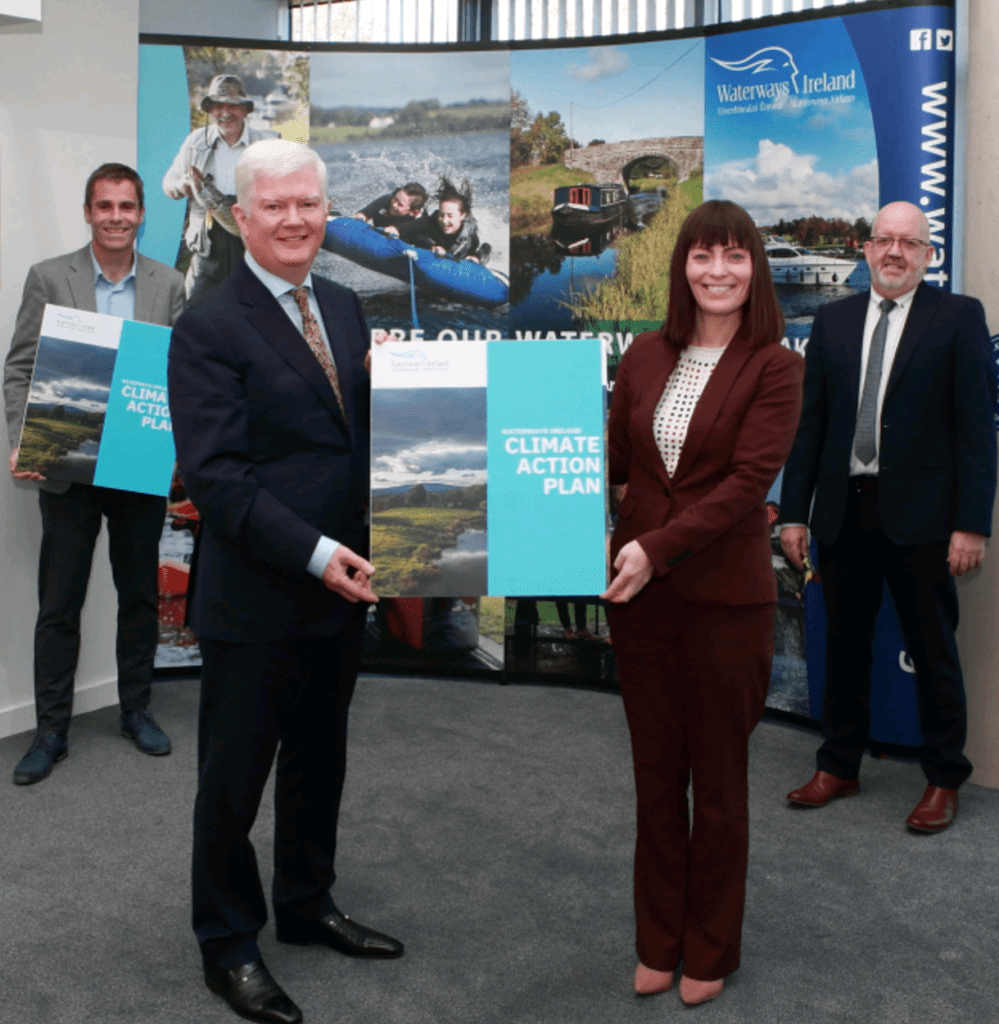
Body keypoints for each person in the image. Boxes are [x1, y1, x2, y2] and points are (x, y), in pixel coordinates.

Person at [168, 138, 402, 1024]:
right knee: (233, 781)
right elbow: (219, 480)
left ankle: (307, 906)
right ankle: (227, 945)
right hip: (259, 593)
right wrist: (315, 554)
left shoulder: (344, 307)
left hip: (342, 591)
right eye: (274, 206)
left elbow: (350, 439)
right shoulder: (207, 326)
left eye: (308, 204)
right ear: (241, 217)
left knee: (319, 762)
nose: (295, 220)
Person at [602, 200, 803, 1007]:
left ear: (753, 268)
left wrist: (654, 546)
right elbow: (612, 460)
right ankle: (658, 940)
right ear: (680, 267)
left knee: (716, 787)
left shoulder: (775, 366)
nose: (716, 271)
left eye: (733, 256)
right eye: (699, 256)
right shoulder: (646, 354)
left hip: (724, 603)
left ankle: (710, 947)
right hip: (640, 604)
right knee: (655, 782)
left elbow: (745, 487)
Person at [780, 200, 997, 833]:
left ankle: (941, 778)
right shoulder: (833, 320)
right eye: (883, 240)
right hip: (844, 513)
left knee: (932, 651)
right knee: (842, 647)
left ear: (929, 254)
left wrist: (972, 523)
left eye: (910, 242)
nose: (895, 252)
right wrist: (794, 514)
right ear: (866, 249)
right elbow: (810, 428)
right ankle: (838, 765)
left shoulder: (957, 317)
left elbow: (976, 434)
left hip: (926, 520)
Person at [3, 163, 185, 786]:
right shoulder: (50, 277)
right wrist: (23, 439)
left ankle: (135, 710)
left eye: (127, 206)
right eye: (104, 206)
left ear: (141, 214)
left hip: (137, 466)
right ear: (88, 212)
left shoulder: (170, 284)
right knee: (60, 603)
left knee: (139, 596)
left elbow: (179, 378)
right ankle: (51, 730)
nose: (115, 216)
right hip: (68, 467)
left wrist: (178, 443)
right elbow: (20, 370)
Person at [162, 74, 278, 301]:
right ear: (210, 111)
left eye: (232, 106)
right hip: (207, 255)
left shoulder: (267, 145)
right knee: (191, 321)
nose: (225, 113)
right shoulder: (195, 142)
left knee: (254, 323)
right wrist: (180, 185)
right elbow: (168, 182)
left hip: (253, 253)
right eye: (217, 106)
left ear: (245, 110)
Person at [415, 176, 491, 264]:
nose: (444, 221)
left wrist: (477, 257)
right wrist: (432, 246)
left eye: (450, 216)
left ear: (462, 215)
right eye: (441, 215)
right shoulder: (435, 219)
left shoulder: (469, 236)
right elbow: (417, 235)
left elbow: (486, 247)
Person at [353, 182, 429, 242]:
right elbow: (364, 213)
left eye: (400, 204)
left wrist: (397, 229)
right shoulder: (388, 200)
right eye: (395, 199)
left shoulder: (421, 220)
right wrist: (361, 216)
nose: (394, 205)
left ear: (413, 212)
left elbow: (421, 224)